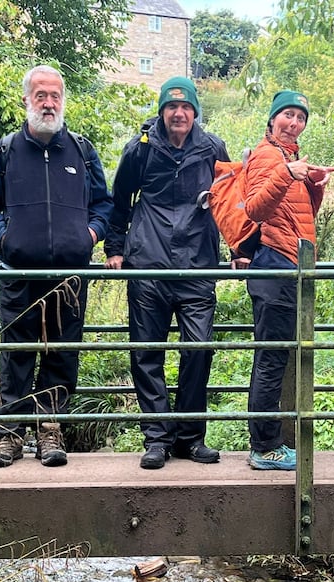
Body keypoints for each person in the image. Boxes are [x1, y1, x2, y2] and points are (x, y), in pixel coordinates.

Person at [0, 65, 112, 468]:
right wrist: (8, 238)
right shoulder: (5, 151)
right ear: (27, 100)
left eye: (55, 96)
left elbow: (104, 204)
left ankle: (50, 431)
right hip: (19, 274)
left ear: (63, 100)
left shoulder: (82, 152)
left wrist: (89, 236)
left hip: (70, 277)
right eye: (41, 95)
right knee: (16, 354)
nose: (48, 103)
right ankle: (10, 435)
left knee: (61, 355)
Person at [104, 76, 232, 470]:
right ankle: (156, 438)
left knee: (198, 349)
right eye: (172, 107)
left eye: (186, 107)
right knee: (147, 352)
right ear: (162, 110)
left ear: (195, 112)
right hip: (148, 264)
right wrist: (115, 247)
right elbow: (119, 200)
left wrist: (240, 248)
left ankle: (191, 437)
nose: (179, 113)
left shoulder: (213, 148)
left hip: (198, 264)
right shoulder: (140, 149)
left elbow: (231, 201)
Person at [242, 90, 334, 470]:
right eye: (287, 115)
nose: (294, 123)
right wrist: (287, 174)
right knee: (271, 358)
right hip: (274, 265)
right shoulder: (268, 156)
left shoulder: (291, 158)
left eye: (300, 117)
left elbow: (296, 215)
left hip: (290, 265)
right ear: (272, 120)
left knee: (277, 356)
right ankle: (265, 447)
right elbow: (255, 209)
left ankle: (267, 443)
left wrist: (313, 186)